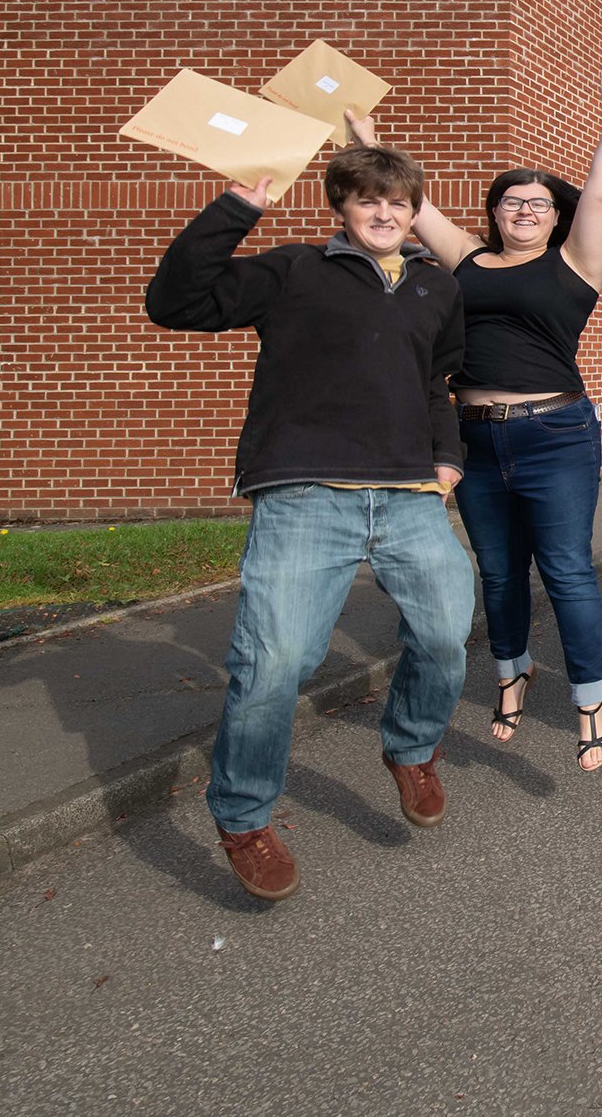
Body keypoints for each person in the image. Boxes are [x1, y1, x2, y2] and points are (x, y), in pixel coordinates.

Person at [146, 144, 471, 903]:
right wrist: (236, 207)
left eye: (397, 201)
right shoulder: (294, 270)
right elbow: (175, 302)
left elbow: (436, 383)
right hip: (304, 493)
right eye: (367, 201)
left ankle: (412, 747)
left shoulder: (435, 287)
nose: (384, 213)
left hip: (408, 495)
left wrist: (446, 461)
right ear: (342, 207)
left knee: (447, 634)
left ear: (413, 206)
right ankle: (244, 817)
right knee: (276, 662)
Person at [345, 56, 602, 772]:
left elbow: (598, 197)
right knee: (500, 573)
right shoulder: (468, 260)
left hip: (556, 434)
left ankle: (591, 701)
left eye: (539, 203)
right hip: (475, 438)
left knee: (566, 570)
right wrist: (362, 136)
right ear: (496, 211)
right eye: (512, 200)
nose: (525, 209)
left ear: (555, 216)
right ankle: (511, 675)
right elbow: (406, 205)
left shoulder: (574, 263)